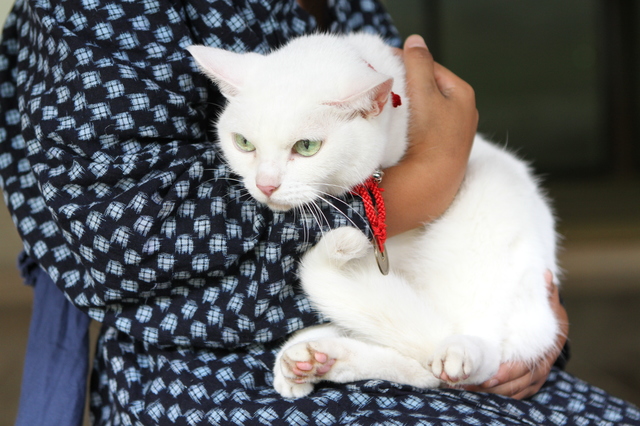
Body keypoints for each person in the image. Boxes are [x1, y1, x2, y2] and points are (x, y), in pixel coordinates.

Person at [0, 0, 637, 424]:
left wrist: (527, 308)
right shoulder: (98, 12)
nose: (265, 182)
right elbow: (131, 242)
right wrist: (418, 186)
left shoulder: (347, 16)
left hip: (425, 324)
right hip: (209, 362)